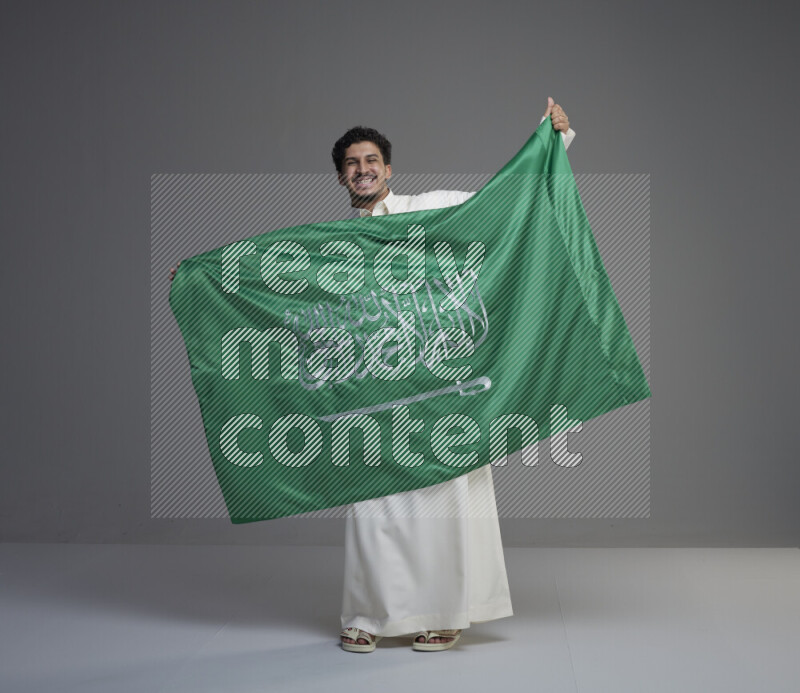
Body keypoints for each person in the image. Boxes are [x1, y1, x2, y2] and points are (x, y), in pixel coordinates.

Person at [168, 98, 574, 653]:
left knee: (446, 502)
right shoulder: (333, 250)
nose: (364, 169)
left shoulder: (429, 210)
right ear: (341, 176)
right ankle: (369, 615)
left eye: (373, 159)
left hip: (441, 389)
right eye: (353, 163)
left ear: (389, 168)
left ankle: (446, 613)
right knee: (373, 504)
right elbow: (267, 275)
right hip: (375, 391)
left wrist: (555, 141)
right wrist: (200, 278)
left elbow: (503, 203)